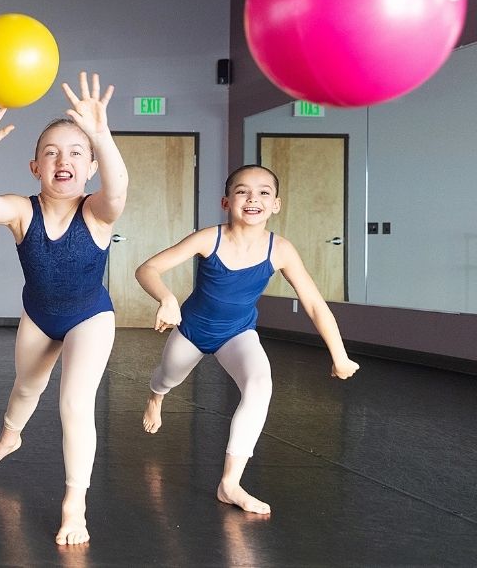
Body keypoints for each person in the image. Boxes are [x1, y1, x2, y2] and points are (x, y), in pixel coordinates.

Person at [135, 163, 360, 515]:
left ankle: (230, 483)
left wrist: (340, 355)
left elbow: (314, 304)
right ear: (226, 202)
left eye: (263, 192)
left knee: (259, 385)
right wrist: (167, 298)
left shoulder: (280, 249)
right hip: (192, 330)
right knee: (168, 377)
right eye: (242, 191)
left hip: (238, 333)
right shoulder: (210, 238)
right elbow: (147, 269)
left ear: (276, 204)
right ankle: (156, 396)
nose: (253, 198)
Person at [0, 73, 127, 546]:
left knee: (75, 404)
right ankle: (10, 436)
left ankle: (74, 503)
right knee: (26, 389)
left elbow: (118, 190)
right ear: (36, 166)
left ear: (91, 167)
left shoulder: (97, 211)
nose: (64, 160)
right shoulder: (22, 210)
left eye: (77, 152)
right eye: (52, 152)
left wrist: (100, 134)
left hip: (89, 316)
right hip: (38, 315)